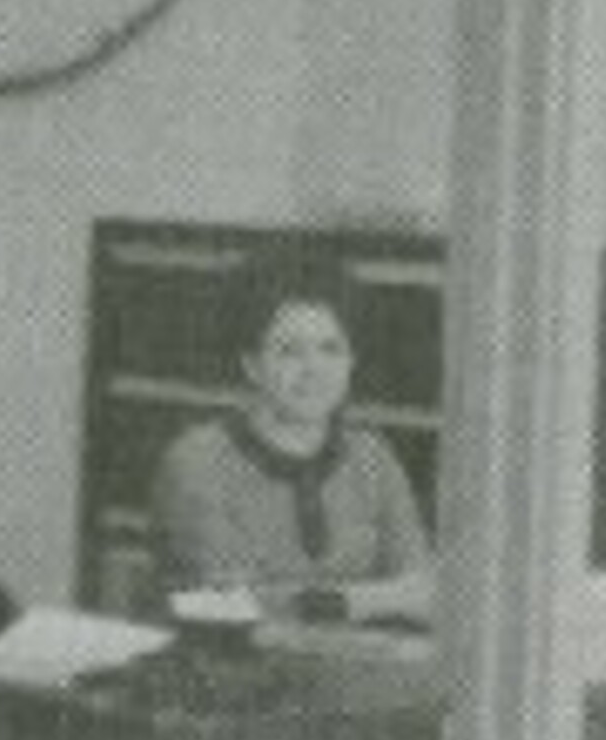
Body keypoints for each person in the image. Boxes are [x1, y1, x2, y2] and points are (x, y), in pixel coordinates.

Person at [149, 255, 433, 622]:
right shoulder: (196, 460)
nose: (314, 370)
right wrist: (369, 600)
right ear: (251, 365)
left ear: (352, 361)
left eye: (331, 349)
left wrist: (312, 602)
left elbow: (424, 593)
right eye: (289, 351)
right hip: (225, 673)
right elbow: (235, 608)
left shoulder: (373, 457)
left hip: (353, 673)